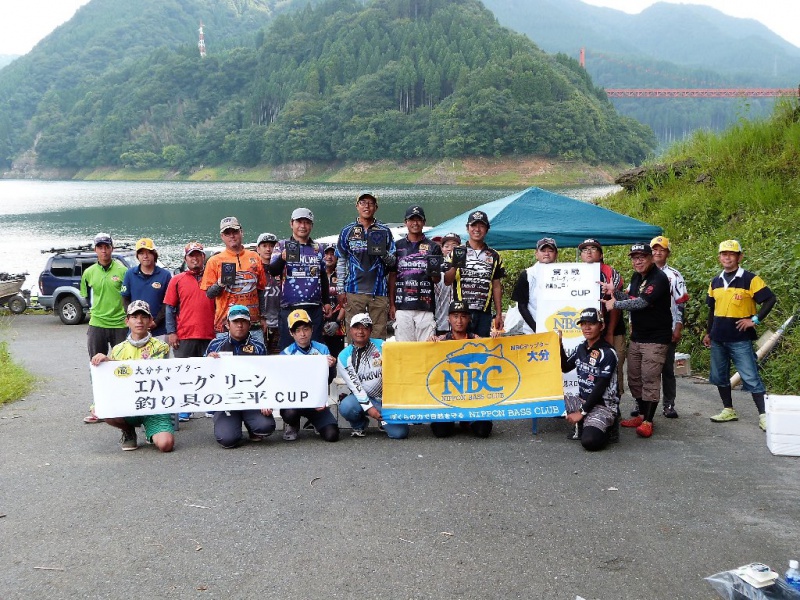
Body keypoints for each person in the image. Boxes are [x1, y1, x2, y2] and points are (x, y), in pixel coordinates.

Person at [703, 239, 776, 431]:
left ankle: (764, 415)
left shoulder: (750, 279)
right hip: (718, 338)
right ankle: (728, 409)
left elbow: (770, 299)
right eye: (724, 254)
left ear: (739, 257)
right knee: (719, 376)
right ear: (719, 257)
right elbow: (712, 309)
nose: (727, 257)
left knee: (750, 377)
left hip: (741, 339)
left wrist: (755, 320)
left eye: (731, 254)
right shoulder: (715, 281)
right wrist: (708, 332)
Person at [602, 243, 672, 438]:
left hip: (656, 338)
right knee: (634, 378)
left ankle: (649, 421)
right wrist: (614, 291)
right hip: (637, 336)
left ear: (651, 258)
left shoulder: (659, 278)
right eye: (634, 257)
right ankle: (641, 414)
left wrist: (615, 303)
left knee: (650, 378)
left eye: (642, 257)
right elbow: (633, 297)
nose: (638, 260)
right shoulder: (636, 277)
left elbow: (642, 302)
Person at [89, 300, 174, 452]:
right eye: (134, 317)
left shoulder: (161, 346)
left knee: (166, 445)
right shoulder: (118, 349)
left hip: (154, 405)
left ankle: (151, 430)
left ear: (151, 321)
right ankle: (128, 430)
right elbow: (111, 379)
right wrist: (107, 362)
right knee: (104, 410)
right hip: (128, 403)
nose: (139, 321)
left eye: (144, 316)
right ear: (127, 321)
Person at [205, 304, 276, 448]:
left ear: (249, 324)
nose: (239, 325)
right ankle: (229, 425)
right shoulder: (215, 345)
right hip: (226, 401)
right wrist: (208, 361)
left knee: (265, 427)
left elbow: (266, 375)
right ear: (227, 324)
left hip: (251, 398)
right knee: (228, 439)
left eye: (243, 321)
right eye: (235, 321)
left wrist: (266, 400)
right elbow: (204, 375)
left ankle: (252, 426)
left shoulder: (258, 346)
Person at [163, 241, 216, 421]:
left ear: (203, 257)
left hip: (211, 333)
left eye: (198, 255)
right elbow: (170, 308)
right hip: (185, 334)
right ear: (185, 259)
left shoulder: (212, 277)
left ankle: (211, 405)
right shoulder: (177, 280)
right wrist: (172, 332)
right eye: (191, 255)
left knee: (210, 372)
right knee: (185, 373)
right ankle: (186, 406)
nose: (195, 258)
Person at [428, 300, 494, 438]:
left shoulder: (477, 340)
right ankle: (452, 419)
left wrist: (495, 339)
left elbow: (492, 357)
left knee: (483, 431)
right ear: (449, 319)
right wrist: (429, 345)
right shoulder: (440, 341)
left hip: (472, 397)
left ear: (469, 319)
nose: (459, 321)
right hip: (447, 398)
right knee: (441, 432)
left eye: (463, 316)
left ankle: (466, 420)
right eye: (455, 316)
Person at [80, 232, 128, 424]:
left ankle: (123, 405)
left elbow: (127, 296)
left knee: (122, 365)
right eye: (100, 247)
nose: (104, 250)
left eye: (107, 246)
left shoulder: (122, 270)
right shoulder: (89, 272)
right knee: (97, 366)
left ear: (112, 248)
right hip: (97, 323)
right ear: (95, 250)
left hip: (119, 324)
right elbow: (85, 295)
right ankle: (99, 406)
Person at [337, 313, 409, 439]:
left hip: (385, 401)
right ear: (350, 330)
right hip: (361, 398)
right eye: (357, 327)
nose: (360, 331)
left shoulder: (382, 346)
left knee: (400, 433)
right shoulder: (344, 356)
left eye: (365, 328)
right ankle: (360, 424)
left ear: (370, 330)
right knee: (347, 406)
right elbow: (355, 387)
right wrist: (369, 408)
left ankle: (383, 421)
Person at [268, 208, 331, 350]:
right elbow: (273, 271)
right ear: (291, 224)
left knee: (315, 348)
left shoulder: (318, 248)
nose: (303, 226)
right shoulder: (282, 245)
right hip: (289, 306)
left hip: (314, 307)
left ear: (312, 225)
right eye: (299, 222)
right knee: (288, 349)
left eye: (307, 222)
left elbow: (322, 275)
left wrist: (326, 302)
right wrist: (282, 259)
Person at [336, 192, 397, 339]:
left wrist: (382, 252)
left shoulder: (384, 231)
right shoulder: (347, 231)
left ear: (376, 207)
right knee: (355, 336)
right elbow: (342, 260)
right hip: (353, 292)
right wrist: (340, 289)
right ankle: (354, 362)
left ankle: (378, 363)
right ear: (357, 206)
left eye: (370, 203)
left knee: (378, 336)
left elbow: (393, 263)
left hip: (379, 293)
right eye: (363, 202)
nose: (367, 206)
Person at [559, 307, 620, 451]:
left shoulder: (608, 353)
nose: (586, 327)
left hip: (603, 405)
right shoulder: (581, 347)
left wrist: (581, 413)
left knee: (590, 441)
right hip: (583, 400)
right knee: (550, 404)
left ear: (601, 326)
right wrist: (559, 344)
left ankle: (610, 428)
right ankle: (585, 423)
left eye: (591, 323)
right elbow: (565, 367)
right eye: (583, 324)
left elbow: (601, 387)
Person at [201, 216, 267, 344]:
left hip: (253, 324)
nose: (232, 236)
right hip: (225, 325)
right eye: (227, 233)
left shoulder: (254, 257)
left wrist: (263, 317)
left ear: (241, 232)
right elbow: (209, 294)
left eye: (235, 232)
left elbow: (261, 290)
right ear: (222, 236)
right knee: (227, 363)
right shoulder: (215, 260)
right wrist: (220, 283)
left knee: (256, 361)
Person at [279, 309, 340, 442]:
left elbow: (328, 380)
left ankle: (315, 422)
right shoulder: (285, 354)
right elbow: (281, 382)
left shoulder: (322, 349)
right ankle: (293, 424)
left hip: (316, 401)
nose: (302, 334)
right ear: (291, 333)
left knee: (332, 435)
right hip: (294, 401)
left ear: (312, 329)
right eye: (297, 330)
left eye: (305, 329)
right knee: (290, 413)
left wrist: (332, 366)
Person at [443, 210, 505, 337]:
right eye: (473, 225)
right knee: (461, 347)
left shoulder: (494, 255)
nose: (477, 229)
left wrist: (499, 314)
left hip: (484, 312)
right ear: (467, 228)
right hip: (461, 312)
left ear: (487, 229)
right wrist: (456, 264)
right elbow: (447, 281)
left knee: (482, 347)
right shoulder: (457, 252)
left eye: (481, 226)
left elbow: (497, 285)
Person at [579, 238, 626, 396]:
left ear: (600, 254)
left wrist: (610, 332)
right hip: (587, 330)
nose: (589, 252)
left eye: (593, 249)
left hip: (612, 328)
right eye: (585, 250)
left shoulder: (610, 272)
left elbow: (615, 304)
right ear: (581, 255)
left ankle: (615, 403)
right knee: (589, 368)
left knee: (613, 365)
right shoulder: (574, 272)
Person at [388, 205, 443, 341]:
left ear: (424, 222)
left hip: (425, 305)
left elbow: (436, 279)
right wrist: (392, 304)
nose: (415, 223)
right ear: (405, 222)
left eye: (419, 220)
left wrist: (434, 272)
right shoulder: (397, 246)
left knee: (426, 348)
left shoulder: (434, 247)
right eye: (411, 220)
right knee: (404, 348)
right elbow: (392, 276)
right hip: (402, 305)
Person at [649, 235, 690, 419]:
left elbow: (681, 303)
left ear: (668, 253)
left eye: (662, 249)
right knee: (646, 369)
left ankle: (669, 404)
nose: (657, 252)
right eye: (654, 249)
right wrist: (632, 325)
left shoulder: (674, 275)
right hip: (646, 329)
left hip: (667, 328)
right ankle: (642, 405)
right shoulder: (642, 273)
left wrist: (678, 326)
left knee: (667, 369)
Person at [121, 237, 172, 338]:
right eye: (141, 253)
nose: (145, 256)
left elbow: (168, 302)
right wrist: (133, 320)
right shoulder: (130, 274)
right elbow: (125, 299)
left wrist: (155, 322)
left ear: (154, 254)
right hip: (136, 330)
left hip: (159, 331)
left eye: (148, 252)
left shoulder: (165, 275)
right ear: (137, 256)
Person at [510, 237, 559, 334]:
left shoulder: (567, 273)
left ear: (556, 254)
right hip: (531, 330)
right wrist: (536, 328)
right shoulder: (527, 274)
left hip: (559, 327)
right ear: (536, 254)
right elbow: (522, 306)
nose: (546, 253)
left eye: (550, 250)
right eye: (543, 250)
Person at [256, 232, 282, 355]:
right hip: (260, 323)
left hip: (280, 322)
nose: (268, 249)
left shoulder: (283, 269)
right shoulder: (253, 270)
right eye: (264, 246)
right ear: (258, 249)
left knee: (278, 358)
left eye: (272, 246)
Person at [433, 233, 461, 336]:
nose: (450, 249)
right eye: (446, 246)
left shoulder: (465, 266)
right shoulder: (436, 267)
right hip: (439, 316)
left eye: (454, 246)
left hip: (459, 318)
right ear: (442, 249)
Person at [321, 243, 346, 358]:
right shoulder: (315, 274)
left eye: (333, 254)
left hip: (337, 326)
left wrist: (337, 322)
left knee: (335, 360)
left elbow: (347, 301)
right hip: (318, 325)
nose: (329, 257)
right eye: (326, 254)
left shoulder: (343, 276)